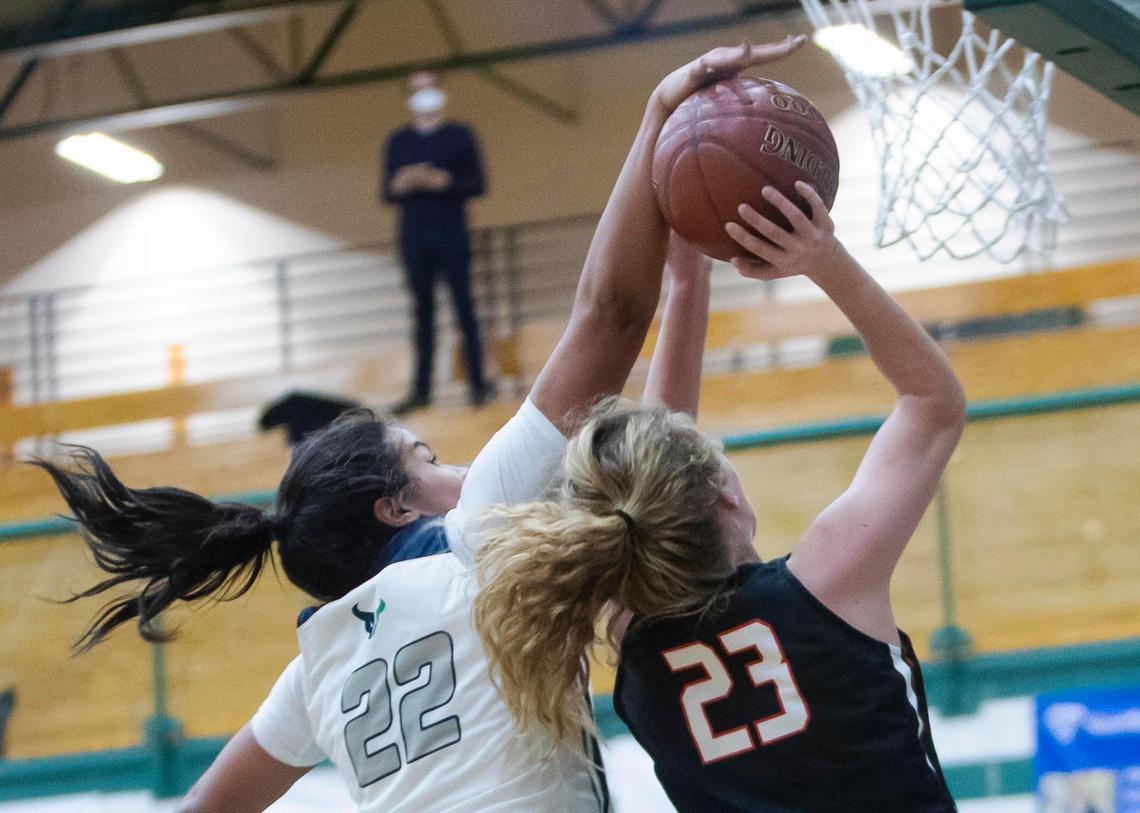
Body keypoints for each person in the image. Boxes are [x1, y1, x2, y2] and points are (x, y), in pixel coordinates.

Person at [33, 39, 807, 813]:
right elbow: (609, 318)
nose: (461, 467)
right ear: (396, 507)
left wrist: (686, 279)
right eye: (427, 456)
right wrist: (655, 119)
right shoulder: (476, 535)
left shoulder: (315, 669)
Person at [473, 183, 966, 811]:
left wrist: (689, 287)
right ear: (724, 493)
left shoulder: (637, 647)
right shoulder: (830, 580)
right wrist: (822, 258)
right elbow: (933, 404)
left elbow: (652, 483)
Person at [382, 70, 492, 415]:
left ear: (440, 92)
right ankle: (421, 391)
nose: (424, 94)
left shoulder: (460, 135)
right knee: (422, 314)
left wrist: (444, 181)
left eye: (429, 87)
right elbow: (386, 192)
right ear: (408, 96)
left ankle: (478, 385)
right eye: (417, 89)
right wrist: (404, 182)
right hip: (414, 237)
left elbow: (478, 183)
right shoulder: (397, 141)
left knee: (465, 309)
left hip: (452, 233)